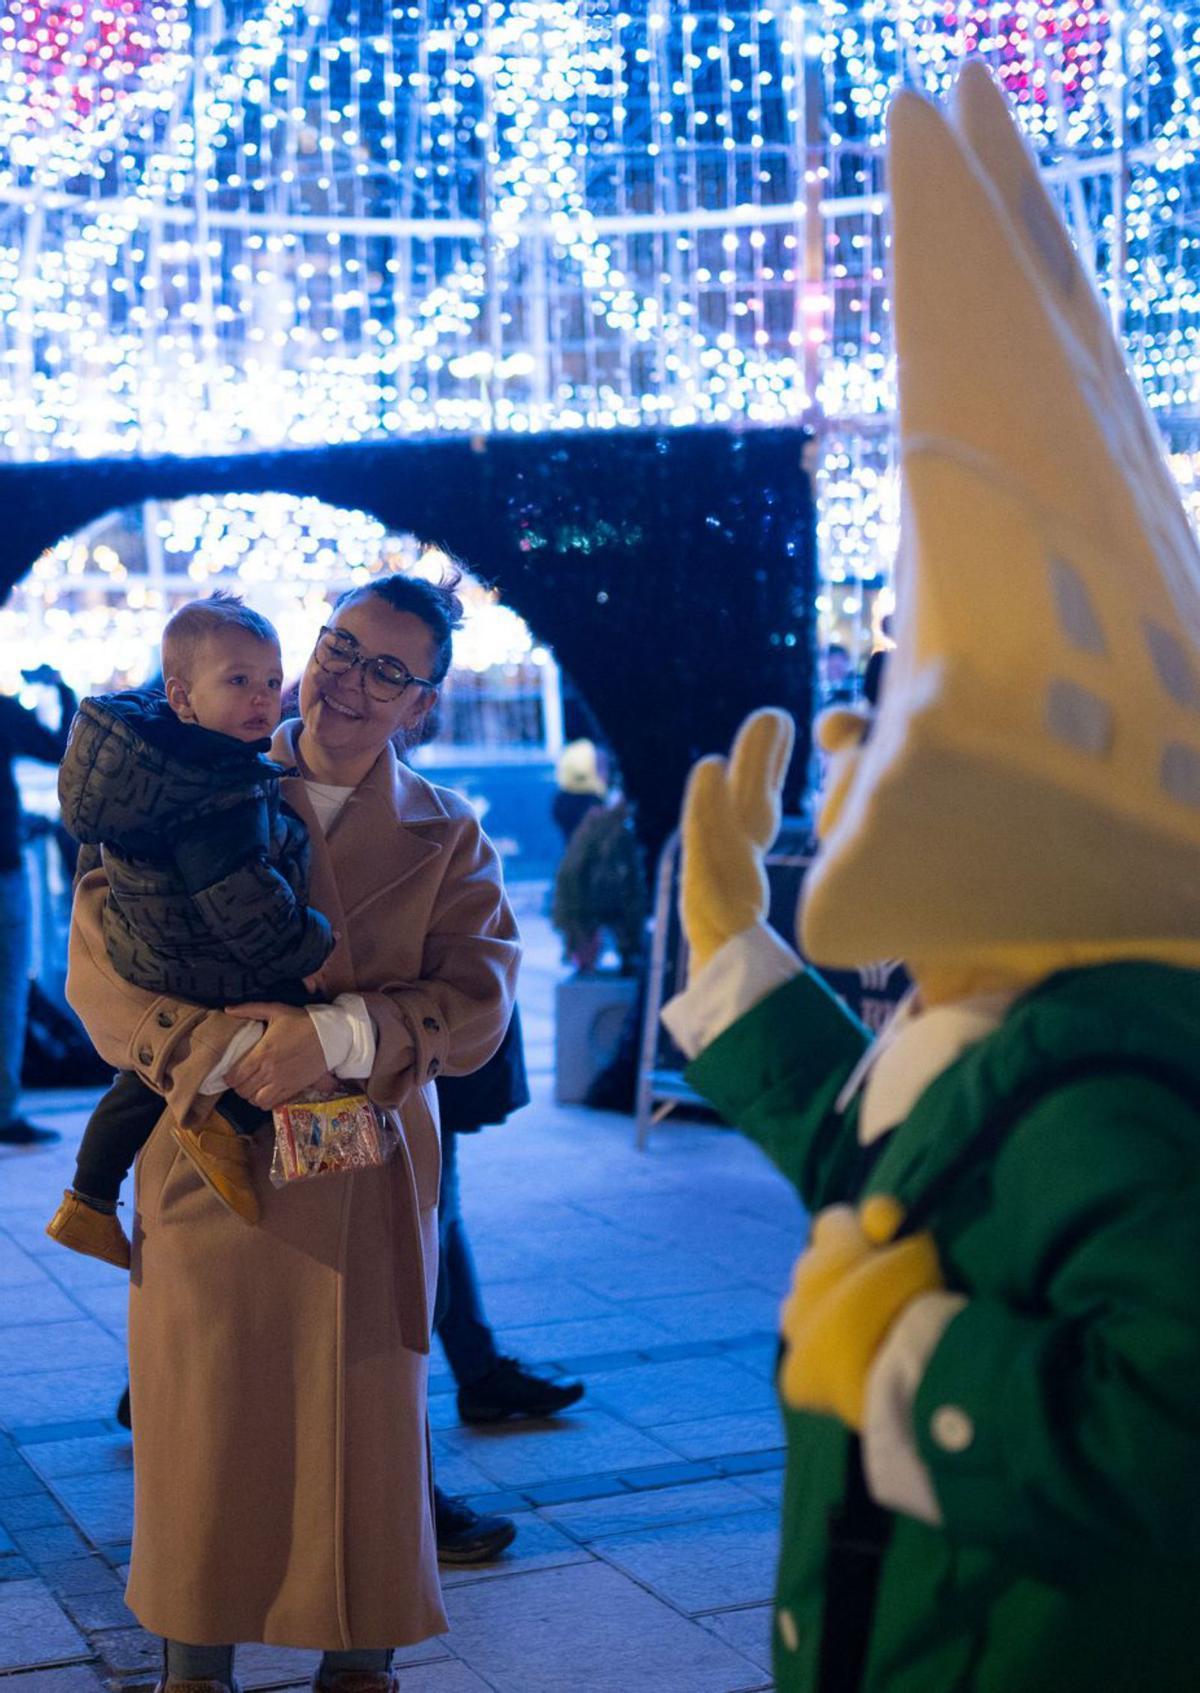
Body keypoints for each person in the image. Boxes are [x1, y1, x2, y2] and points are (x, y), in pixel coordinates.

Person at [662, 64, 1200, 1693]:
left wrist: (902, 1361)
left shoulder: (1110, 1084)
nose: (851, 758)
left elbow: (1171, 1436)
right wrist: (738, 951)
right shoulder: (1018, 1040)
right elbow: (862, 1141)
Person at [64, 571, 519, 1693]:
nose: (348, 679)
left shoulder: (448, 835)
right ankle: (194, 1661)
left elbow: (479, 1000)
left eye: (388, 669)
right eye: (340, 644)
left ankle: (360, 1660)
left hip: (362, 1179)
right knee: (205, 1417)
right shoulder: (180, 779)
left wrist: (347, 1035)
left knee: (361, 1424)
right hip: (209, 1161)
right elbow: (98, 970)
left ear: (422, 704)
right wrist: (210, 1052)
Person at [45, 594, 335, 1267]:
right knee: (293, 1024)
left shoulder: (159, 768)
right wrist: (312, 941)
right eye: (238, 680)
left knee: (142, 1079)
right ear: (181, 696)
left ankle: (87, 1198)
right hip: (199, 956)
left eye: (271, 680)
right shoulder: (215, 790)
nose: (263, 698)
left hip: (158, 948)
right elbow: (245, 905)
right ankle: (225, 1123)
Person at [430, 1003, 584, 1560]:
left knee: (436, 1213)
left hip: (399, 1051)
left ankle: (480, 1370)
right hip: (375, 1057)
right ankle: (401, 1488)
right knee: (415, 1232)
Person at [0, 658, 77, 1146]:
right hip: (3, 868)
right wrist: (59, 689)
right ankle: (3, 1111)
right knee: (8, 990)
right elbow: (58, 749)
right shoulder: (2, 710)